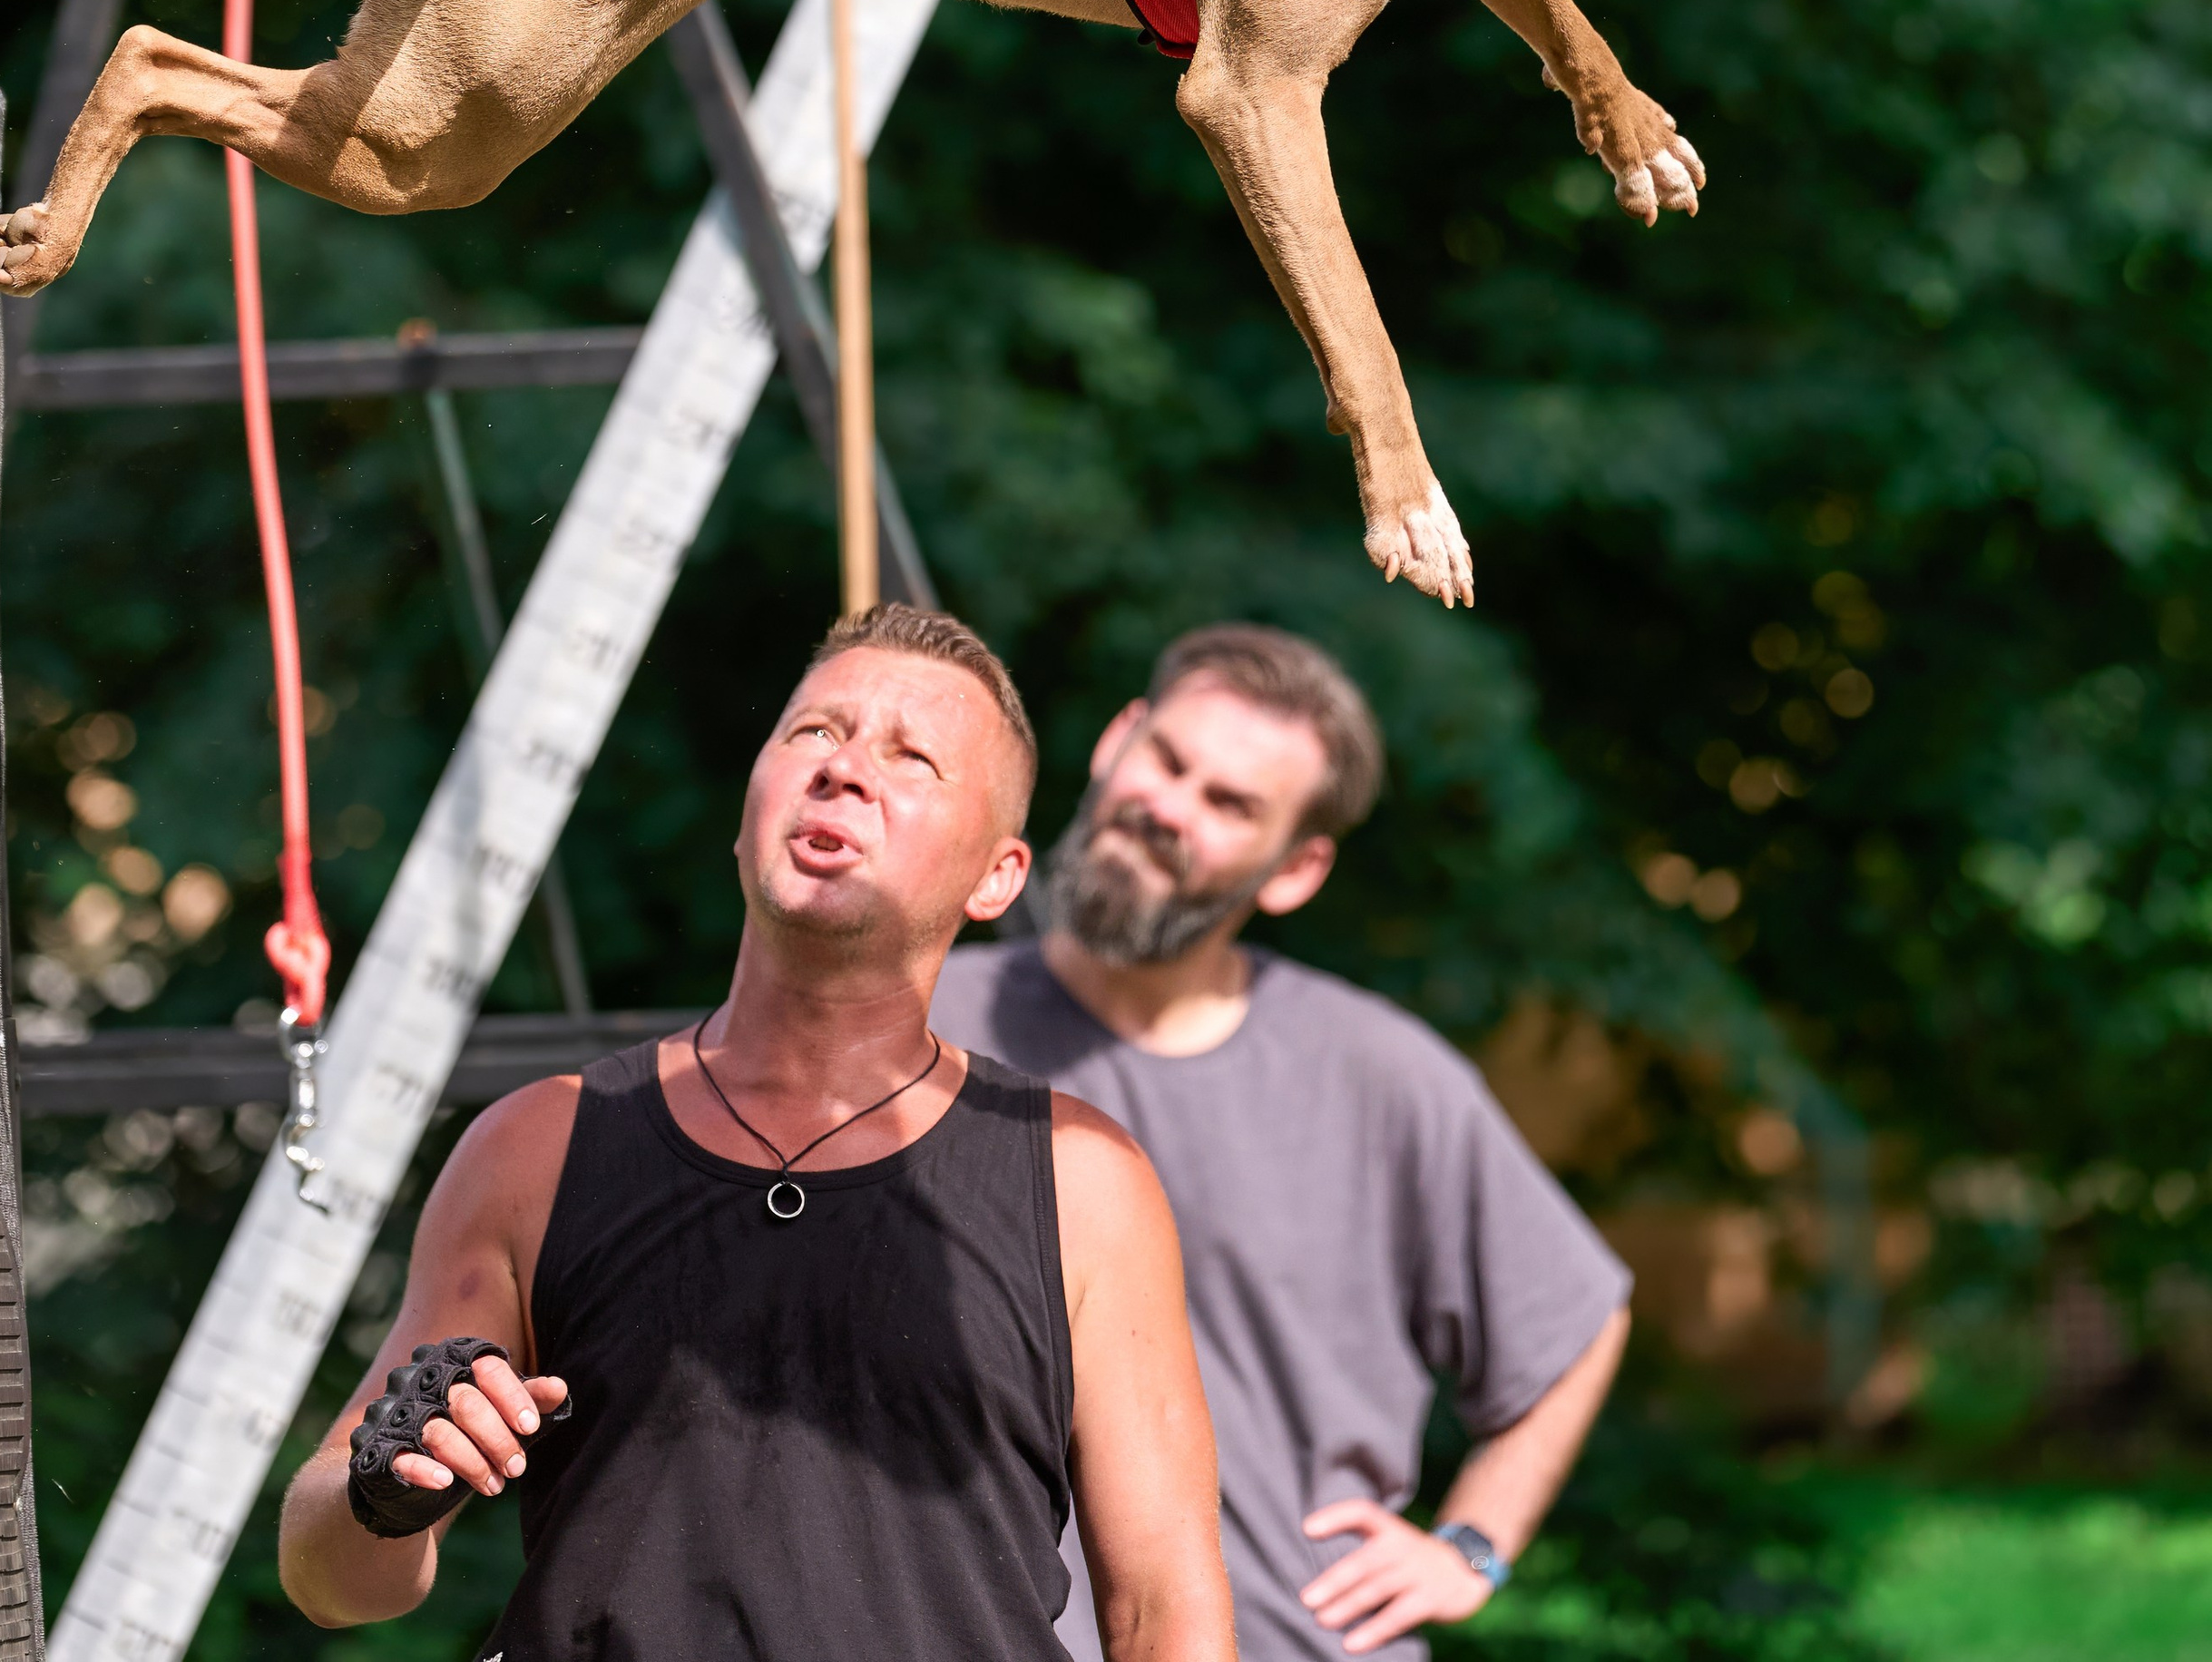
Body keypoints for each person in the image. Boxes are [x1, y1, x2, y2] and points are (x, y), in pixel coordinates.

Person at [280, 602, 1236, 1662]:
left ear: (997, 877)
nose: (845, 769)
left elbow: (1165, 1615)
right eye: (813, 733)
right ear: (749, 811)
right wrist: (380, 1488)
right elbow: (331, 1584)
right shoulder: (540, 1145)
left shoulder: (1082, 1179)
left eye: (912, 756)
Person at [933, 625, 1631, 1656]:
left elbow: (1576, 1319)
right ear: (1118, 737)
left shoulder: (1377, 1076)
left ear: (1295, 868)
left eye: (1230, 806)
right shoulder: (915, 1026)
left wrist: (1472, 1545)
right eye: (1167, 760)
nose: (1168, 807)